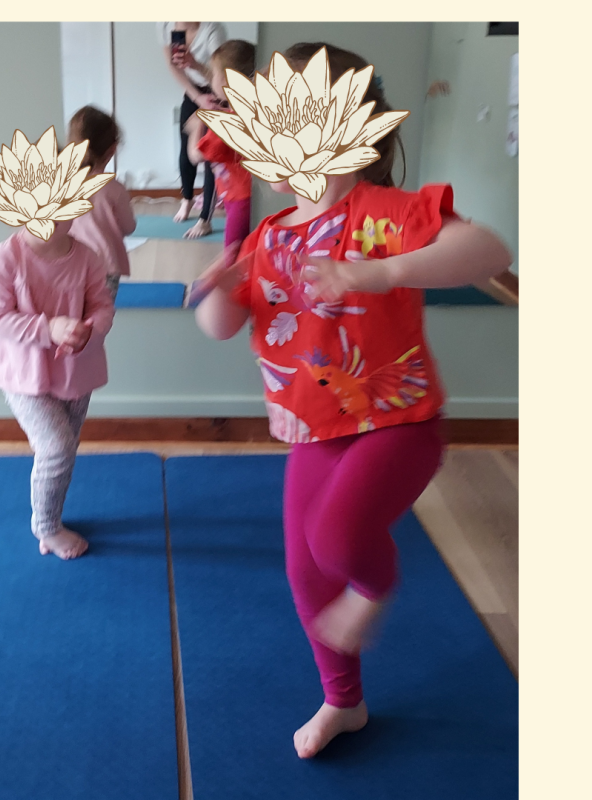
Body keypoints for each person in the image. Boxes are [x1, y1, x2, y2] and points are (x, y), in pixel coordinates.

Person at [194, 42, 513, 758]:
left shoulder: (382, 214)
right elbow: (221, 326)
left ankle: (375, 591)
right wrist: (214, 288)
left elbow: (491, 252)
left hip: (399, 421)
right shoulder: (270, 236)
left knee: (339, 540)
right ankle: (346, 702)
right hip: (314, 429)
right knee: (305, 571)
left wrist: (378, 274)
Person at [0, 206, 115, 561]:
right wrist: (48, 328)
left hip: (75, 372)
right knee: (56, 448)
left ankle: (52, 516)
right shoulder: (7, 258)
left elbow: (102, 306)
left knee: (64, 449)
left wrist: (91, 329)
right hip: (23, 375)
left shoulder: (87, 257)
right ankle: (46, 526)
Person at [158, 22, 226, 238]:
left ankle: (205, 219)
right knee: (185, 150)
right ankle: (187, 199)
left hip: (217, 90)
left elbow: (221, 77)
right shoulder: (165, 24)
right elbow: (172, 66)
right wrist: (196, 97)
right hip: (193, 91)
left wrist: (195, 64)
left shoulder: (212, 30)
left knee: (210, 156)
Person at [185, 39, 255, 252]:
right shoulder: (246, 110)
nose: (211, 78)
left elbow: (196, 155)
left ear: (225, 80)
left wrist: (197, 125)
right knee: (246, 249)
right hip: (245, 195)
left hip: (241, 199)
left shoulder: (225, 125)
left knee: (232, 252)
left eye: (214, 74)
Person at [67, 106, 137, 299]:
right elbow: (128, 227)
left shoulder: (63, 183)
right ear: (112, 149)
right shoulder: (114, 189)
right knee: (100, 311)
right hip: (105, 266)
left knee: (73, 310)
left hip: (68, 264)